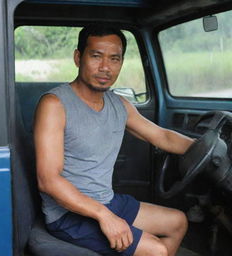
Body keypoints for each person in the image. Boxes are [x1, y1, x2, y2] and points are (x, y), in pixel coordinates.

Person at [34, 25, 195, 256]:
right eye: (96, 56)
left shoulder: (119, 105)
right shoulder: (54, 105)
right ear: (78, 57)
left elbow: (162, 136)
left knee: (178, 222)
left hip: (106, 200)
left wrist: (204, 149)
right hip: (68, 214)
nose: (105, 68)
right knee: (156, 250)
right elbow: (48, 180)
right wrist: (104, 216)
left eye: (114, 59)